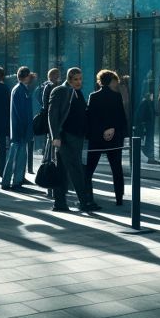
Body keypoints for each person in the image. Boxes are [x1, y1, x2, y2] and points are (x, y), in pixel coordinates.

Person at [48, 67, 96, 212]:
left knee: (64, 170)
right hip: (66, 137)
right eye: (75, 79)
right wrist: (55, 136)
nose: (78, 82)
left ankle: (60, 203)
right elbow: (52, 115)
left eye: (80, 79)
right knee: (76, 169)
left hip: (76, 137)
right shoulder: (60, 91)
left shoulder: (77, 92)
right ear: (69, 79)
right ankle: (83, 201)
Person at [85, 70, 128, 206]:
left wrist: (101, 131)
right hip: (114, 138)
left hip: (96, 138)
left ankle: (87, 196)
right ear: (111, 81)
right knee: (116, 168)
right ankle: (119, 198)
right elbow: (121, 117)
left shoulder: (93, 96)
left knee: (89, 169)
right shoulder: (116, 97)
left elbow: (91, 118)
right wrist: (112, 129)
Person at [2, 66, 33, 190]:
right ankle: (14, 182)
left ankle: (12, 181)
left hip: (19, 129)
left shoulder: (19, 89)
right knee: (17, 157)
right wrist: (25, 129)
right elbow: (21, 112)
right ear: (26, 77)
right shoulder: (20, 90)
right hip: (20, 129)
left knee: (16, 157)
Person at [35, 68, 61, 176]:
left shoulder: (46, 86)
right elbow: (47, 105)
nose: (59, 77)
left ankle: (48, 163)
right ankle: (48, 166)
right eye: (58, 75)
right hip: (51, 118)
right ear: (54, 76)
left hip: (49, 118)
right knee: (50, 141)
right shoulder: (50, 87)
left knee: (49, 141)